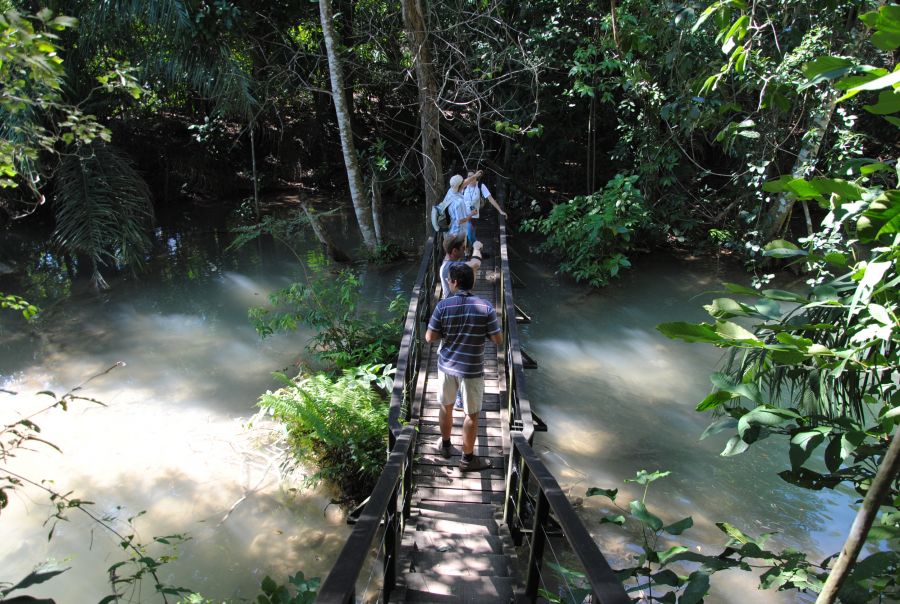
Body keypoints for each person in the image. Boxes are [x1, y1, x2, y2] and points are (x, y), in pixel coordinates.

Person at [425, 263, 502, 472]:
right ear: (472, 282)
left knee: (446, 406)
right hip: (471, 369)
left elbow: (429, 337)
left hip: (447, 366)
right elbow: (497, 339)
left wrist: (448, 333)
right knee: (471, 414)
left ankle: (446, 446)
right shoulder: (485, 307)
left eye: (449, 280)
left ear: (455, 283)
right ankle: (467, 459)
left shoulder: (443, 306)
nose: (448, 282)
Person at [463, 169, 507, 253]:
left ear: (476, 176)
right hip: (463, 216)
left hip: (473, 216)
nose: (471, 178)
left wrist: (500, 210)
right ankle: (472, 252)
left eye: (473, 175)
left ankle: (477, 250)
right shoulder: (464, 186)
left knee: (469, 236)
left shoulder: (480, 186)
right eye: (469, 176)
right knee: (471, 235)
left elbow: (490, 198)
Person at [431, 172, 480, 237]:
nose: (465, 182)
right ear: (460, 185)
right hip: (456, 234)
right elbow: (460, 221)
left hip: (448, 231)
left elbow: (465, 182)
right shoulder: (459, 202)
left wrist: (475, 175)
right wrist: (472, 214)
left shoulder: (450, 191)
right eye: (463, 182)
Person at [439, 234, 482, 299]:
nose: (464, 250)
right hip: (453, 306)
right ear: (455, 251)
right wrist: (476, 248)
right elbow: (476, 263)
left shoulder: (447, 262)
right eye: (463, 247)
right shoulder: (450, 266)